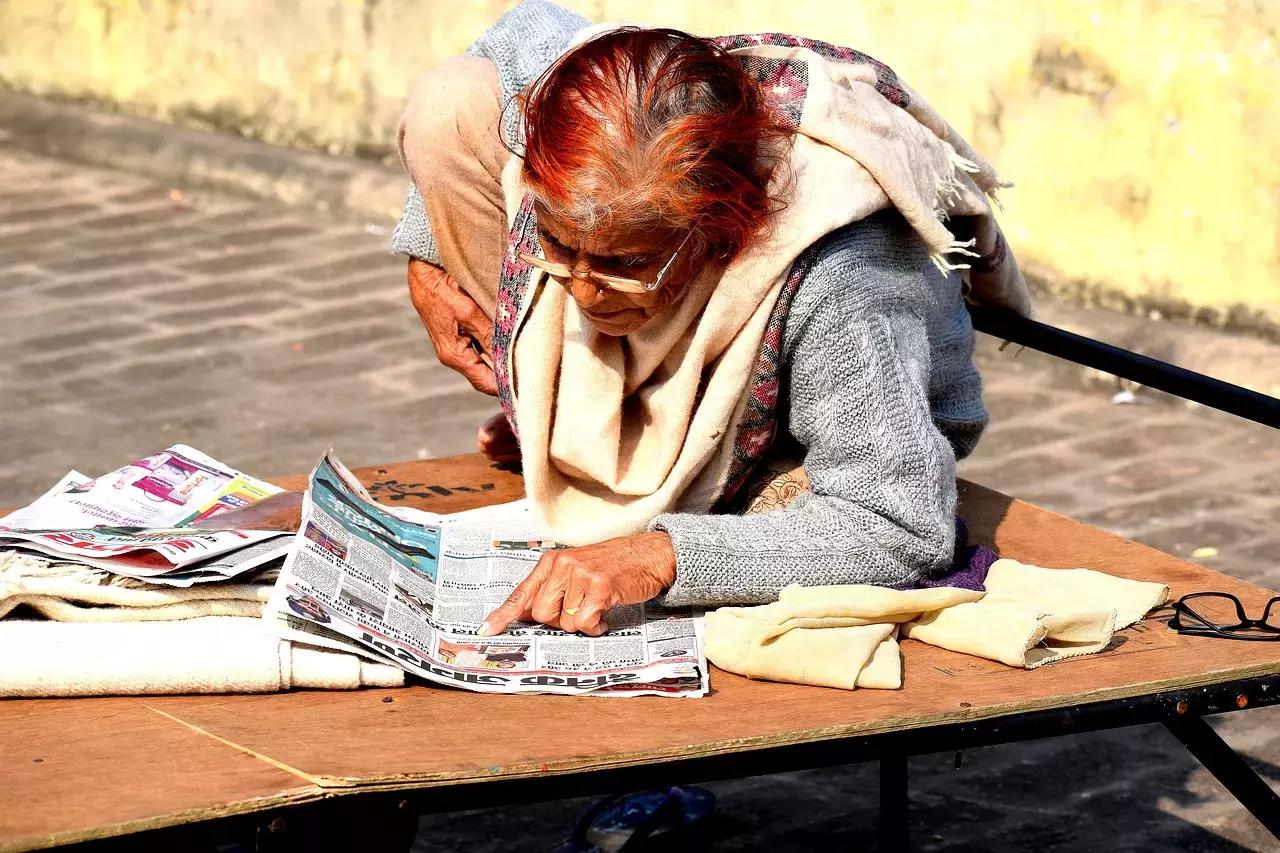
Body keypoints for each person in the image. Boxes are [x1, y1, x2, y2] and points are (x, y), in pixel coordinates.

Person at [393, 1, 1033, 638]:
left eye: (626, 261)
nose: (584, 293)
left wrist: (661, 556)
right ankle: (600, 422)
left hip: (792, 430)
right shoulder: (580, 107)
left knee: (827, 517)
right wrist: (428, 253)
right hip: (673, 330)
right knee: (453, 103)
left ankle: (669, 455)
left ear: (721, 230)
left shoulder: (844, 270)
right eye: (559, 247)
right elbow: (523, 26)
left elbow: (899, 526)